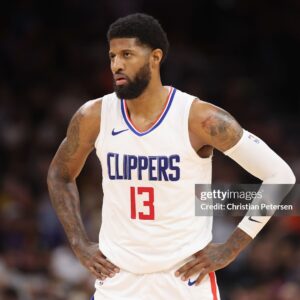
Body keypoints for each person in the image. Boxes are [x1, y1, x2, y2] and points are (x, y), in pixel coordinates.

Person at [47, 13, 296, 300]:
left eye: (127, 54)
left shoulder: (200, 118)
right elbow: (59, 174)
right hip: (118, 279)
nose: (116, 64)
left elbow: (281, 177)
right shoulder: (93, 116)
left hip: (183, 279)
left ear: (155, 57)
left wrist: (232, 247)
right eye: (112, 55)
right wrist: (79, 243)